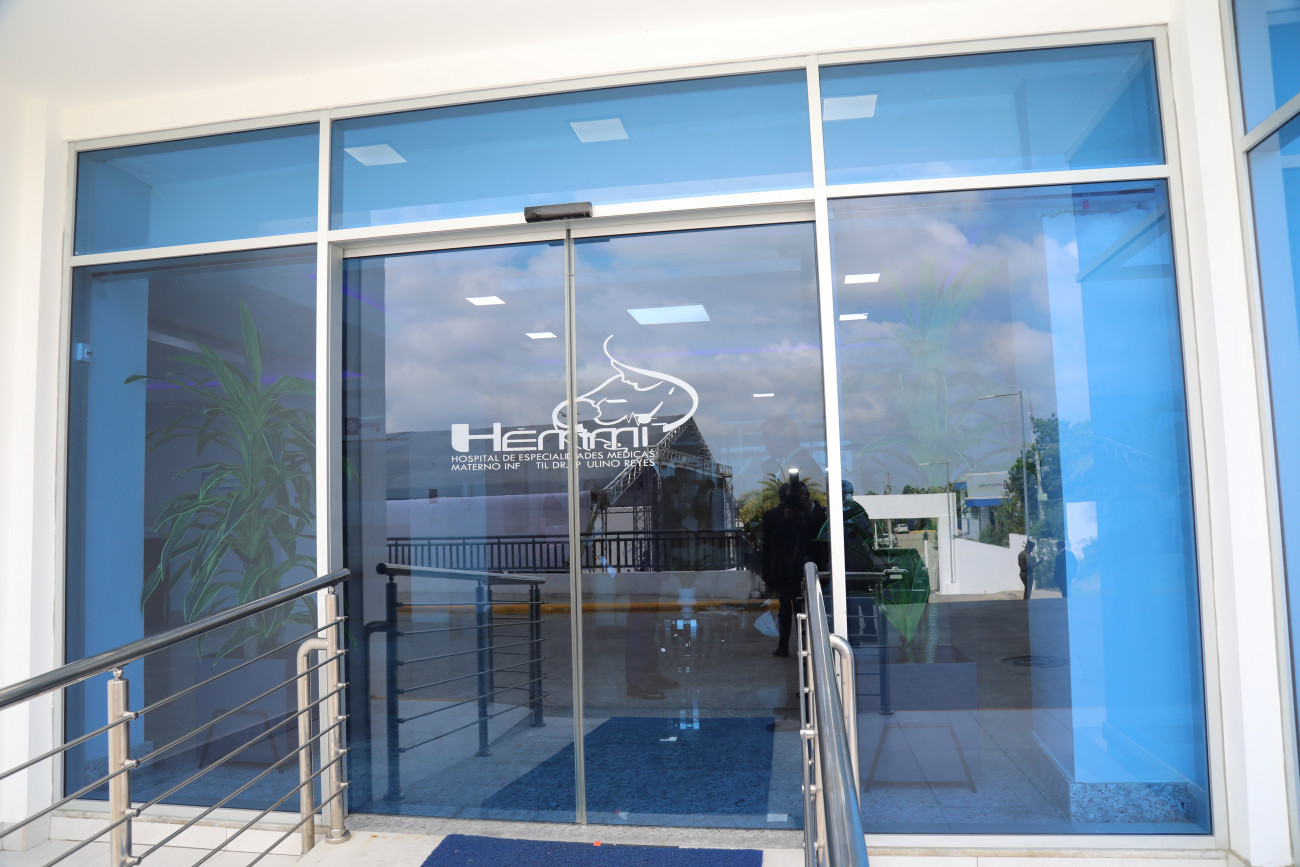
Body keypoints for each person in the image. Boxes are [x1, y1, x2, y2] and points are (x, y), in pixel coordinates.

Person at [762, 479, 825, 656]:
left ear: (807, 496)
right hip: (785, 571)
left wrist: (810, 510)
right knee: (786, 610)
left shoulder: (815, 512)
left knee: (801, 610)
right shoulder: (780, 516)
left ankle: (802, 648)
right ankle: (790, 646)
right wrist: (786, 520)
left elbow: (820, 536)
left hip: (805, 570)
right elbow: (772, 543)